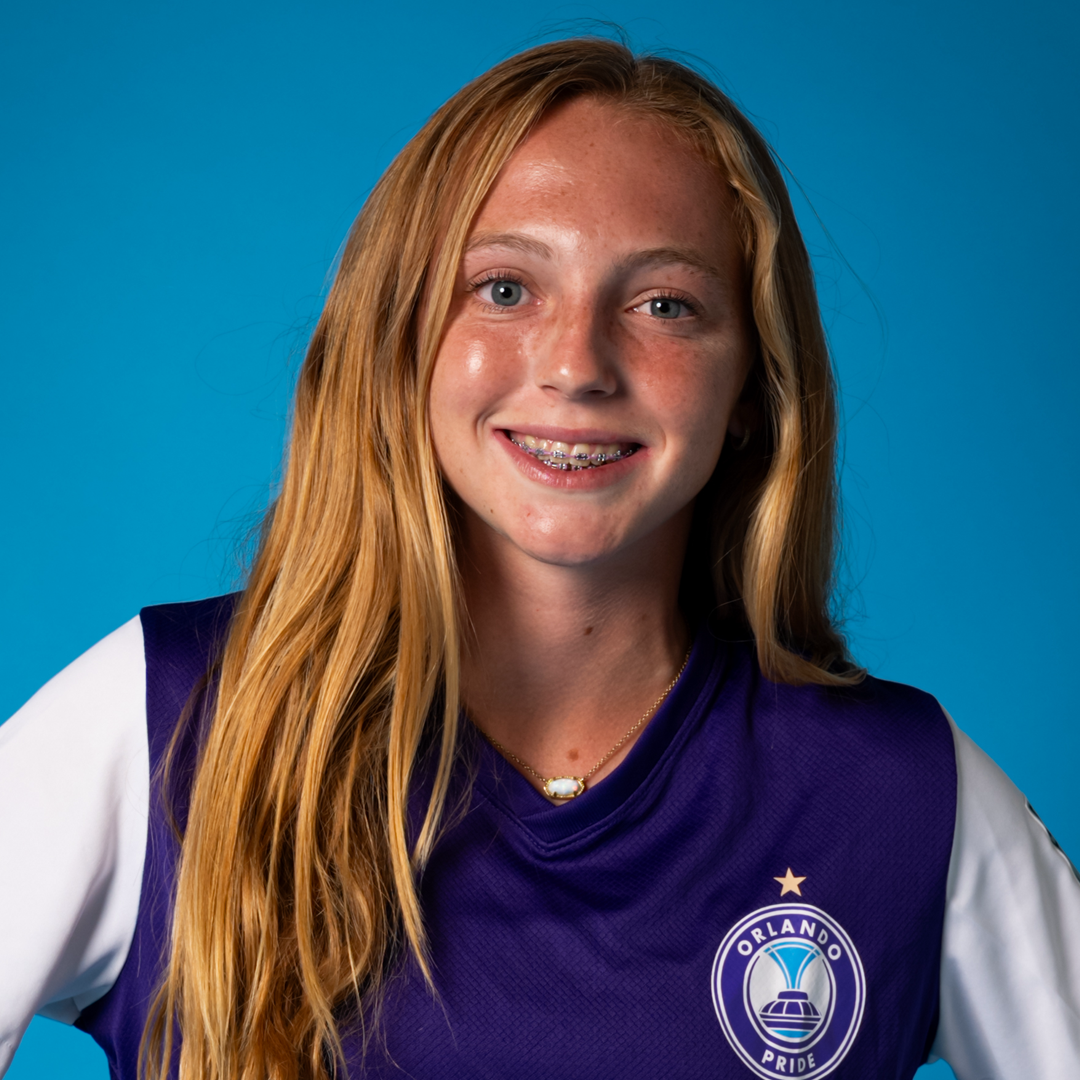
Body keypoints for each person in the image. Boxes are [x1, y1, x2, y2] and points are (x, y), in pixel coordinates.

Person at [0, 37, 1077, 1080]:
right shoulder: (169, 724)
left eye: (666, 304)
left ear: (752, 386)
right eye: (506, 288)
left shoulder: (901, 799)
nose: (576, 364)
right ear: (400, 336)